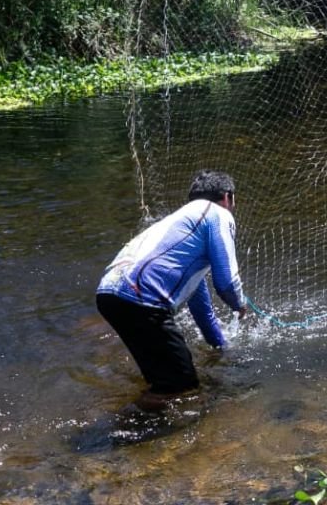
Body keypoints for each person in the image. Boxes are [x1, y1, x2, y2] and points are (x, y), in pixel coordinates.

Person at [96, 169, 247, 410]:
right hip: (141, 299)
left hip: (109, 294)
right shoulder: (218, 214)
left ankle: (141, 430)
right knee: (182, 387)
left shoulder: (182, 221)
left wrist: (221, 348)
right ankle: (125, 431)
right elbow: (226, 282)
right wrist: (239, 304)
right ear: (227, 197)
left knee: (165, 379)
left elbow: (200, 305)